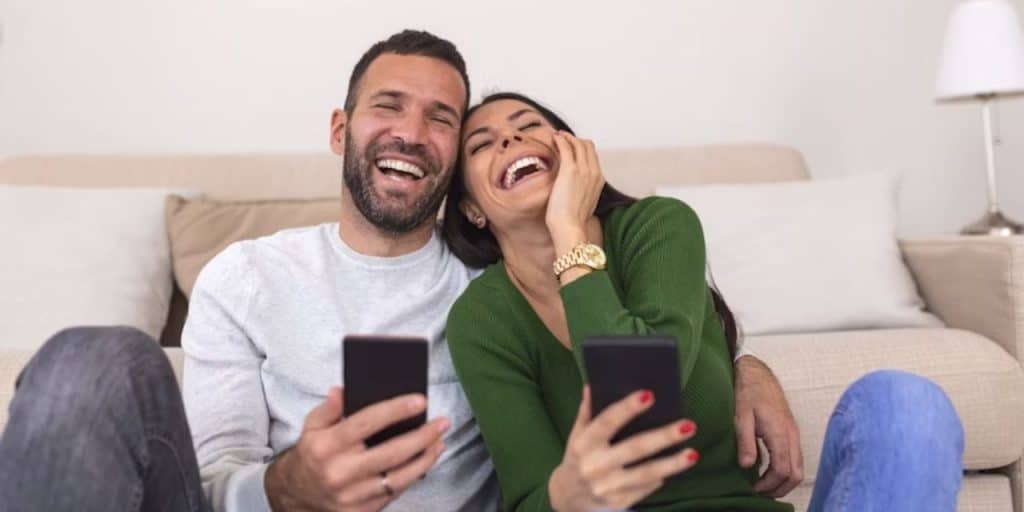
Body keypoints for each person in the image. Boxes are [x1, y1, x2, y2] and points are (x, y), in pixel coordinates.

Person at [0, 31, 803, 512]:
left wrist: (744, 363)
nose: (412, 132)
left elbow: (642, 345)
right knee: (89, 358)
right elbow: (202, 483)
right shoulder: (248, 274)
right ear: (342, 128)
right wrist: (290, 488)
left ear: (458, 167)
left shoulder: (498, 291)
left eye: (444, 119)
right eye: (388, 106)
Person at [442, 92, 966, 512]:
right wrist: (571, 496)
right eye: (482, 144)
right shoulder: (481, 319)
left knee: (907, 405)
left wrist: (568, 233)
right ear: (472, 209)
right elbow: (543, 487)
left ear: (577, 154)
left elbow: (646, 381)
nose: (510, 137)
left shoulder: (659, 226)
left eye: (528, 124)